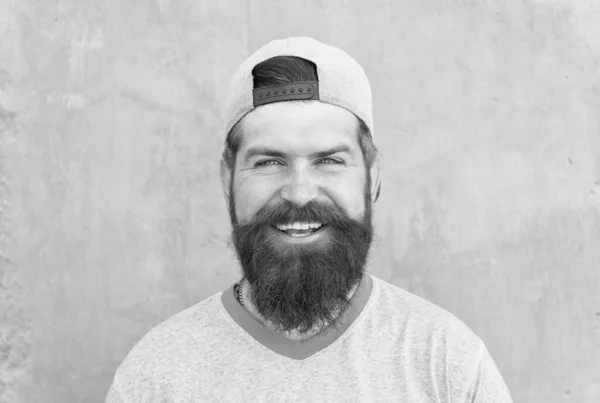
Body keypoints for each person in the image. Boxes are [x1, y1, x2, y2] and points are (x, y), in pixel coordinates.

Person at [105, 37, 513, 402]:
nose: (299, 192)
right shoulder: (155, 377)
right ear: (226, 179)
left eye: (329, 160)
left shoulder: (448, 365)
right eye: (268, 161)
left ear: (372, 178)